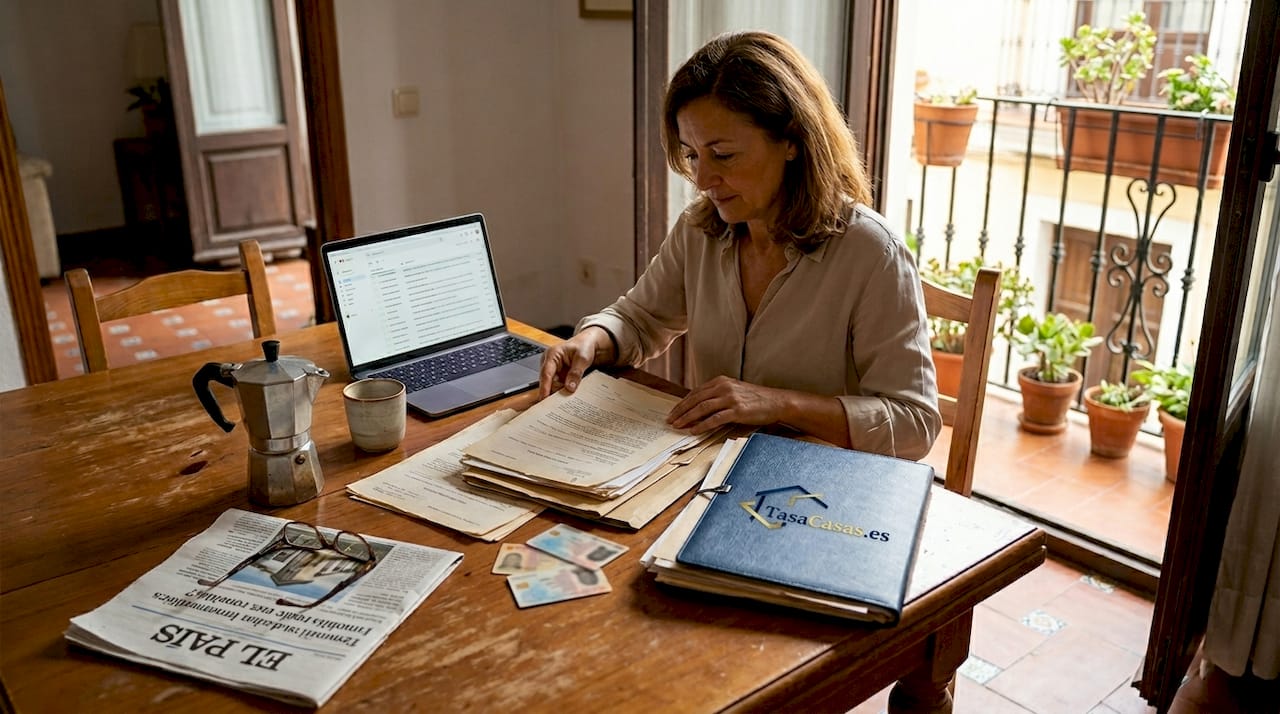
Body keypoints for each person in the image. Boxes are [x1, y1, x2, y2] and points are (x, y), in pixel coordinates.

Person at [538, 31, 939, 460]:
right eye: (692, 156)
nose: (703, 181)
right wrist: (592, 340)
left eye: (723, 155)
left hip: (825, 488)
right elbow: (639, 319)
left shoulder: (873, 254)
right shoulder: (701, 230)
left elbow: (914, 424)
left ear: (791, 141)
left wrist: (777, 403)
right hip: (713, 466)